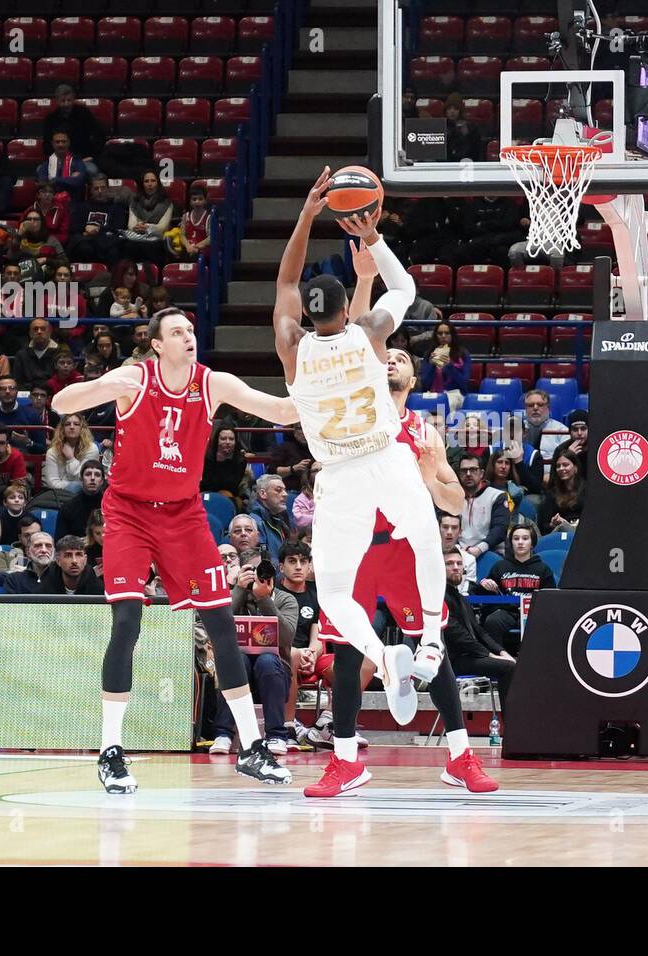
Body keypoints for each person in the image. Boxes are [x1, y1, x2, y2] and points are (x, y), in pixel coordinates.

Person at [52, 307, 302, 791]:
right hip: (128, 513)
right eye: (177, 332)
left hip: (184, 514)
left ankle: (251, 747)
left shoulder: (211, 384)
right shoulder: (135, 379)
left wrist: (319, 390)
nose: (189, 337)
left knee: (221, 627)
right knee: (126, 624)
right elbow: (63, 401)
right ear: (157, 344)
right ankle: (110, 751)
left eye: (191, 329)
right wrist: (105, 386)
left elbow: (279, 410)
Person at [273, 169, 442, 789]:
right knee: (427, 542)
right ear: (348, 307)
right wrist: (370, 237)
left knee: (336, 598)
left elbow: (287, 279)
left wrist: (306, 212)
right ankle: (424, 644)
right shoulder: (372, 334)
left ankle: (382, 656)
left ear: (304, 316)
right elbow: (406, 285)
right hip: (386, 458)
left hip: (338, 474)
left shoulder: (291, 346)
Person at [309, 347, 496, 793]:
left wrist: (431, 478)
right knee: (348, 655)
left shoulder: (424, 432)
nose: (391, 361)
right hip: (354, 551)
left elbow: (454, 504)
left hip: (403, 551)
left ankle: (461, 758)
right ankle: (345, 762)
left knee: (435, 652)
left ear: (414, 378)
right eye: (385, 356)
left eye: (401, 358)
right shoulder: (352, 422)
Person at [200, 545, 300, 755]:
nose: (258, 576)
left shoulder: (286, 599)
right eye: (252, 571)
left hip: (275, 670)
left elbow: (287, 638)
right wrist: (238, 590)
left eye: (263, 571)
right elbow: (217, 627)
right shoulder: (233, 595)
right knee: (238, 661)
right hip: (239, 667)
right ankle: (223, 734)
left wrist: (263, 598)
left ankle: (276, 735)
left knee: (266, 660)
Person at [443, 546, 514, 710]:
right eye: (449, 563)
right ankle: (511, 722)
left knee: (513, 663)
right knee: (509, 668)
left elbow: (480, 632)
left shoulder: (460, 598)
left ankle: (515, 720)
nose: (456, 567)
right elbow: (459, 637)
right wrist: (491, 656)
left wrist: (502, 652)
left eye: (459, 564)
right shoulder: (439, 597)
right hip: (451, 660)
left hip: (470, 656)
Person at [478, 520, 555, 657]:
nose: (520, 542)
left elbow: (550, 598)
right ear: (511, 543)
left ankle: (537, 660)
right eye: (516, 538)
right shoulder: (499, 566)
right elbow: (486, 596)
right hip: (507, 611)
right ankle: (499, 660)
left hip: (532, 612)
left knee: (542, 622)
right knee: (492, 621)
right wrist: (485, 584)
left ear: (532, 543)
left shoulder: (543, 569)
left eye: (525, 538)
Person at [42, 84, 105, 179]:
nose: (66, 104)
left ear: (73, 99)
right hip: (59, 160)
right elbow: (47, 144)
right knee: (41, 171)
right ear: (57, 101)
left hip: (83, 159)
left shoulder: (84, 114)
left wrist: (92, 156)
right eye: (63, 101)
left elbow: (99, 135)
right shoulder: (51, 119)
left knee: (93, 171)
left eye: (69, 100)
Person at [458, 451, 510, 559]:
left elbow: (500, 529)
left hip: (490, 552)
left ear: (481, 473)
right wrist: (458, 549)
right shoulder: (452, 497)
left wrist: (479, 549)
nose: (468, 474)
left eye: (473, 470)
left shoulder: (497, 496)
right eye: (464, 470)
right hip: (459, 554)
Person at [39, 412, 98, 505]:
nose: (72, 427)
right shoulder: (52, 452)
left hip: (85, 494)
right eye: (67, 424)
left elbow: (86, 478)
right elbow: (52, 483)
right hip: (58, 496)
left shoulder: (92, 448)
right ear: (62, 429)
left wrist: (70, 458)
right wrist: (73, 485)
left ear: (82, 428)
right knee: (75, 486)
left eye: (76, 424)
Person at [67, 175, 125, 265]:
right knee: (83, 248)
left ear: (108, 189)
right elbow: (74, 226)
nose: (100, 191)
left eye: (103, 188)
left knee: (114, 250)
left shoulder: (117, 208)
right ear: (90, 190)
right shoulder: (82, 207)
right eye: (96, 188)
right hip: (87, 242)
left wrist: (98, 230)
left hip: (107, 242)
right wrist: (85, 228)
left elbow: (118, 227)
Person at [122, 169, 173, 265]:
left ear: (158, 183)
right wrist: (136, 227)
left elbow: (163, 227)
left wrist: (147, 227)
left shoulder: (166, 203)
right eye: (146, 181)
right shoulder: (134, 202)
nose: (150, 184)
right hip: (137, 236)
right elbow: (131, 225)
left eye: (153, 181)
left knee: (151, 247)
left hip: (156, 238)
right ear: (142, 184)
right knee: (128, 246)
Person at [417, 320, 472, 401]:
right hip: (433, 393)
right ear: (436, 336)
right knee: (418, 403)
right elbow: (425, 384)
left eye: (447, 333)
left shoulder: (463, 354)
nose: (443, 336)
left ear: (452, 335)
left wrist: (450, 367)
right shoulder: (429, 354)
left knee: (442, 405)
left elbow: (464, 383)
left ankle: (440, 413)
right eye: (440, 333)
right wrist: (432, 366)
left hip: (454, 394)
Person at [246, 474, 296, 564]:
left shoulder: (281, 519)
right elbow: (261, 560)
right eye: (278, 490)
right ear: (263, 494)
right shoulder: (254, 523)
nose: (285, 494)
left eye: (285, 490)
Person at [520, 389, 568, 476]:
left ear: (548, 408)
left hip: (553, 480)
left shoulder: (562, 431)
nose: (535, 408)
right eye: (530, 405)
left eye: (540, 405)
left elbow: (567, 463)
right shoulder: (517, 430)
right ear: (525, 408)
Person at [202, 424, 249, 510]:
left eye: (231, 439)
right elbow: (205, 483)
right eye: (223, 439)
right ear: (217, 440)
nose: (227, 442)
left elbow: (234, 485)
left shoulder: (240, 461)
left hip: (230, 496)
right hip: (207, 493)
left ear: (235, 441)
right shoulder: (206, 458)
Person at [36, 535, 103, 595]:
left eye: (79, 555)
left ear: (85, 560)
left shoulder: (97, 587)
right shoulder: (45, 586)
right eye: (68, 555)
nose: (74, 561)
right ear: (58, 561)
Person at [537, 447, 584, 531]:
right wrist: (552, 524)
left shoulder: (587, 490)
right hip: (560, 534)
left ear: (575, 468)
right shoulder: (552, 493)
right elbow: (545, 524)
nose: (561, 468)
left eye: (565, 465)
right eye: (558, 466)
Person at [57, 459, 106, 537]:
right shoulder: (68, 507)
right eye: (88, 474)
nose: (92, 478)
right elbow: (61, 542)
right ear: (81, 480)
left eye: (97, 475)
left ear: (102, 481)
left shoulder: (111, 507)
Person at [35, 131, 88, 202]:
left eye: (64, 141)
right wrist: (69, 179)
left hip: (73, 203)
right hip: (51, 203)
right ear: (52, 144)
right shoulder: (46, 165)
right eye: (57, 142)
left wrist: (55, 180)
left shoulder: (78, 163)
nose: (61, 145)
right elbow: (43, 184)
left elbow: (78, 182)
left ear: (69, 142)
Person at [440, 511, 476, 588]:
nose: (449, 532)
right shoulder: (425, 557)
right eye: (445, 527)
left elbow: (466, 593)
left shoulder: (469, 560)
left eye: (454, 528)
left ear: (460, 532)